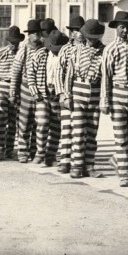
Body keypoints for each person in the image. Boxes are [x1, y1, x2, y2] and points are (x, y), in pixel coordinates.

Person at [101, 11, 128, 187]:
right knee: (121, 137)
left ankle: (117, 160)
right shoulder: (110, 49)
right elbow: (106, 77)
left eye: (127, 27)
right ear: (116, 28)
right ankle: (125, 174)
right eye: (122, 27)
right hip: (117, 93)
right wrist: (105, 100)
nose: (125, 30)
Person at [67, 19, 106, 179]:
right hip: (78, 94)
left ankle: (89, 165)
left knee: (92, 133)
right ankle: (76, 165)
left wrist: (104, 99)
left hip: (95, 95)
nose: (92, 41)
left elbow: (105, 77)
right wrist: (67, 95)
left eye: (95, 38)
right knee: (78, 132)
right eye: (89, 37)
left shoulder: (104, 52)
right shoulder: (76, 51)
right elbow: (69, 74)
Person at [0, 26, 22, 161]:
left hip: (16, 89)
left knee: (13, 120)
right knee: (0, 119)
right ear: (8, 41)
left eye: (16, 42)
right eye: (12, 42)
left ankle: (9, 149)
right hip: (1, 86)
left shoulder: (22, 54)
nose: (14, 45)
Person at [56, 15, 85, 174]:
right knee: (66, 128)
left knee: (80, 130)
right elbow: (59, 72)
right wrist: (62, 94)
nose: (77, 33)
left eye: (80, 30)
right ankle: (65, 161)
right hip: (67, 93)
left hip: (81, 93)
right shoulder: (65, 49)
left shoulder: (86, 48)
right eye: (75, 30)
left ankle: (78, 162)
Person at [11, 20, 42, 163]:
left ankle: (35, 151)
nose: (36, 36)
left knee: (38, 121)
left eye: (38, 33)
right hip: (25, 88)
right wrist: (13, 91)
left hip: (40, 89)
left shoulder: (44, 49)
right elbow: (16, 71)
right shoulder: (23, 49)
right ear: (28, 35)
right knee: (24, 121)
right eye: (33, 33)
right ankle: (23, 151)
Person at [35, 29, 67, 167]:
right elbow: (31, 73)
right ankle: (40, 152)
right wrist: (35, 91)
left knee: (56, 126)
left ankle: (50, 155)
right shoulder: (41, 55)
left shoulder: (64, 56)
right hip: (43, 93)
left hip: (57, 93)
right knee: (42, 123)